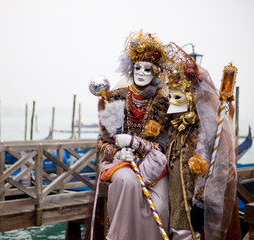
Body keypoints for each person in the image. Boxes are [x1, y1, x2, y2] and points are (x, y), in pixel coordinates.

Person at [95, 30, 170, 240]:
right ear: (131, 68)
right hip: (118, 163)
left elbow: (162, 144)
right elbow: (101, 142)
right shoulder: (114, 98)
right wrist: (117, 154)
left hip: (152, 164)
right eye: (137, 67)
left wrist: (135, 144)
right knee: (127, 182)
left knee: (160, 206)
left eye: (148, 69)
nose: (141, 72)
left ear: (155, 73)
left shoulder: (162, 103)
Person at [162, 42, 239, 240]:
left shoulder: (210, 122)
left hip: (199, 199)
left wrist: (203, 201)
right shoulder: (174, 124)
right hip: (173, 194)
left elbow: (223, 165)